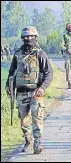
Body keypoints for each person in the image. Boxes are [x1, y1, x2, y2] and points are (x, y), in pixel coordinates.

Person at [5, 26, 53, 154]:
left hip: (35, 92)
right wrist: (8, 87)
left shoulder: (40, 54)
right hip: (21, 92)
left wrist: (42, 88)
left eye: (31, 36)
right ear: (22, 38)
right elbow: (11, 72)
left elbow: (49, 73)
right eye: (26, 37)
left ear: (35, 37)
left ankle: (37, 144)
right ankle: (28, 141)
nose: (28, 38)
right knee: (23, 120)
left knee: (37, 119)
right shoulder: (18, 54)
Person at [61, 23, 71, 89]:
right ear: (67, 29)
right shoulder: (64, 36)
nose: (70, 29)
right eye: (69, 28)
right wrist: (66, 49)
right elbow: (61, 46)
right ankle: (69, 82)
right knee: (67, 68)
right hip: (67, 55)